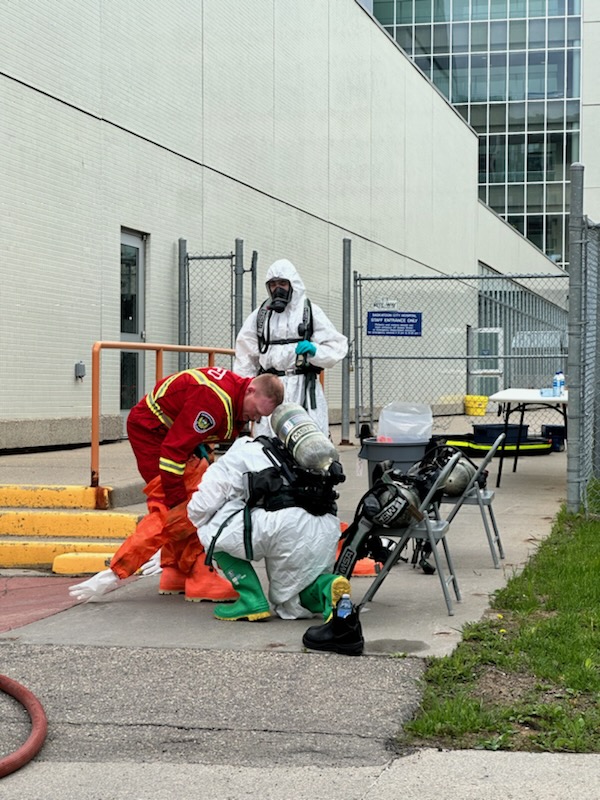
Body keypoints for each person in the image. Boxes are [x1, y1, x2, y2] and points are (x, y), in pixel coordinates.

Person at [69, 369, 284, 603]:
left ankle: (176, 571)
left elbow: (191, 434)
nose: (254, 418)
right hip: (153, 434)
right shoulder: (213, 402)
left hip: (161, 431)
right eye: (256, 411)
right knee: (184, 508)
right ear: (251, 390)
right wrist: (176, 501)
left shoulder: (233, 390)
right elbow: (173, 452)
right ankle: (194, 574)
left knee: (194, 497)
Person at [186, 422, 351, 622]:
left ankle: (251, 600)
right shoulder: (292, 453)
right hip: (327, 526)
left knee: (212, 531)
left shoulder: (236, 456)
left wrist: (190, 520)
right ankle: (328, 586)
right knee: (294, 600)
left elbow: (203, 505)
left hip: (286, 525)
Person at [233, 259, 348, 437]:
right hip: (268, 389)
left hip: (303, 387)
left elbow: (337, 346)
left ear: (292, 284)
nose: (277, 289)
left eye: (282, 283)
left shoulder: (310, 312)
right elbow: (245, 354)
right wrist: (247, 390)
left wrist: (315, 351)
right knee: (267, 439)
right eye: (273, 285)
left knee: (307, 439)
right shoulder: (261, 315)